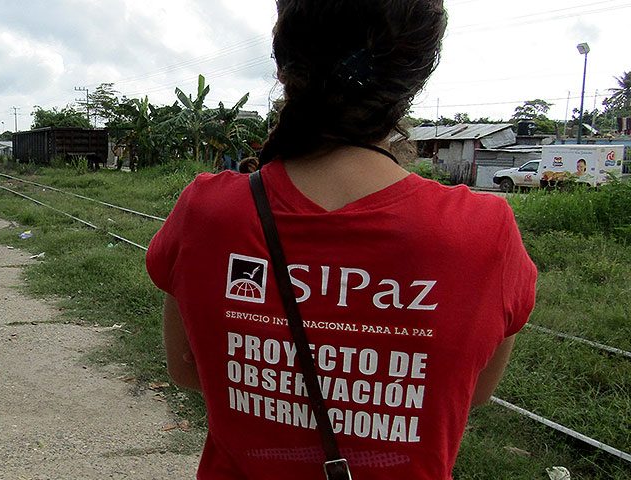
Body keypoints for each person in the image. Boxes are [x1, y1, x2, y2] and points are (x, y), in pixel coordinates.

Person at [145, 1, 537, 479]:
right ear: (415, 73)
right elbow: (466, 393)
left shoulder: (206, 212)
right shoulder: (483, 230)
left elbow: (188, 372)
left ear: (287, 65)